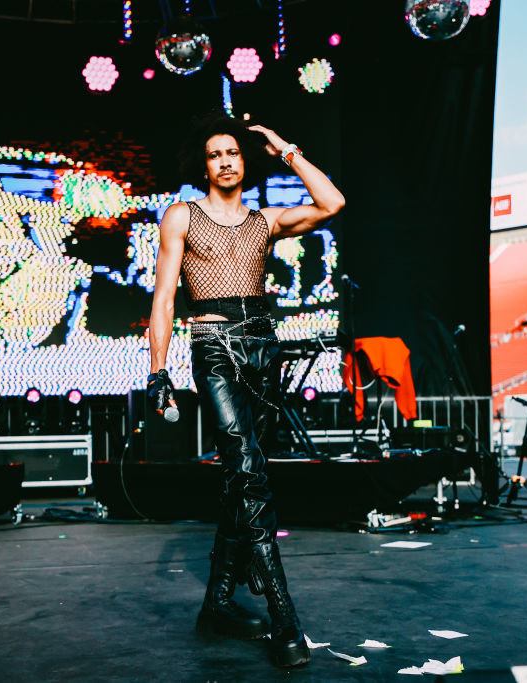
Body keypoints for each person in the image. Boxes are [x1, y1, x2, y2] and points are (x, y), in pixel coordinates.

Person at [146, 114, 344, 667]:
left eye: (233, 152)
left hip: (263, 348)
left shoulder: (265, 221)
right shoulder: (181, 216)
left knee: (243, 476)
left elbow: (333, 204)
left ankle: (217, 605)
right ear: (204, 164)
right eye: (215, 154)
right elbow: (164, 299)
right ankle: (285, 617)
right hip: (213, 347)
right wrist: (158, 372)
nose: (226, 160)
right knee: (250, 472)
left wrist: (288, 151)